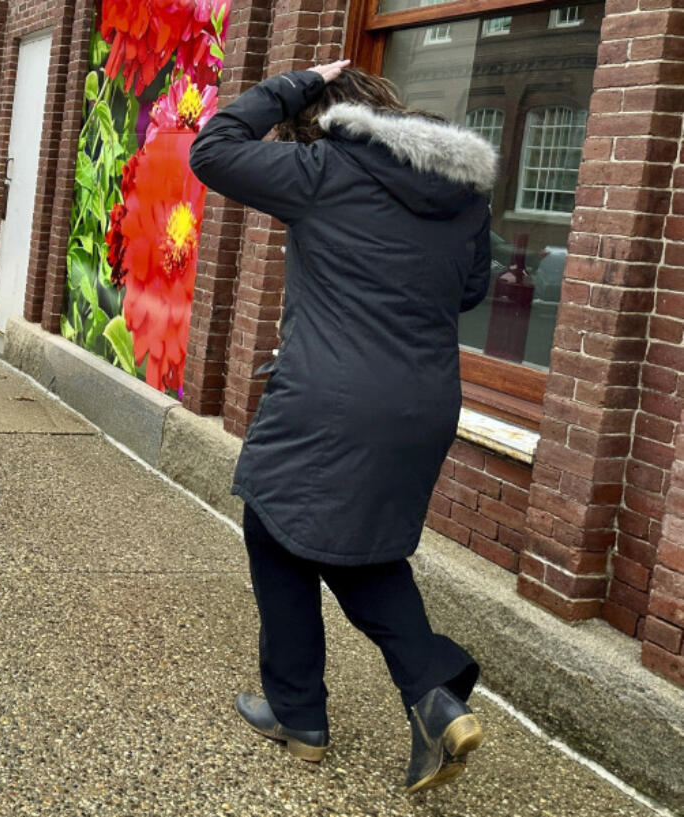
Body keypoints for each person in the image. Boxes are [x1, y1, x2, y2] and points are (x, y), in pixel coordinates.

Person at [189, 61, 496, 793]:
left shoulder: (325, 168)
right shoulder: (461, 188)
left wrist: (298, 80)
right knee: (357, 549)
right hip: (423, 404)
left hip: (333, 399)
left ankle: (301, 714)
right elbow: (473, 288)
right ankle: (434, 698)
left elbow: (214, 148)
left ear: (324, 119)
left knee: (273, 518)